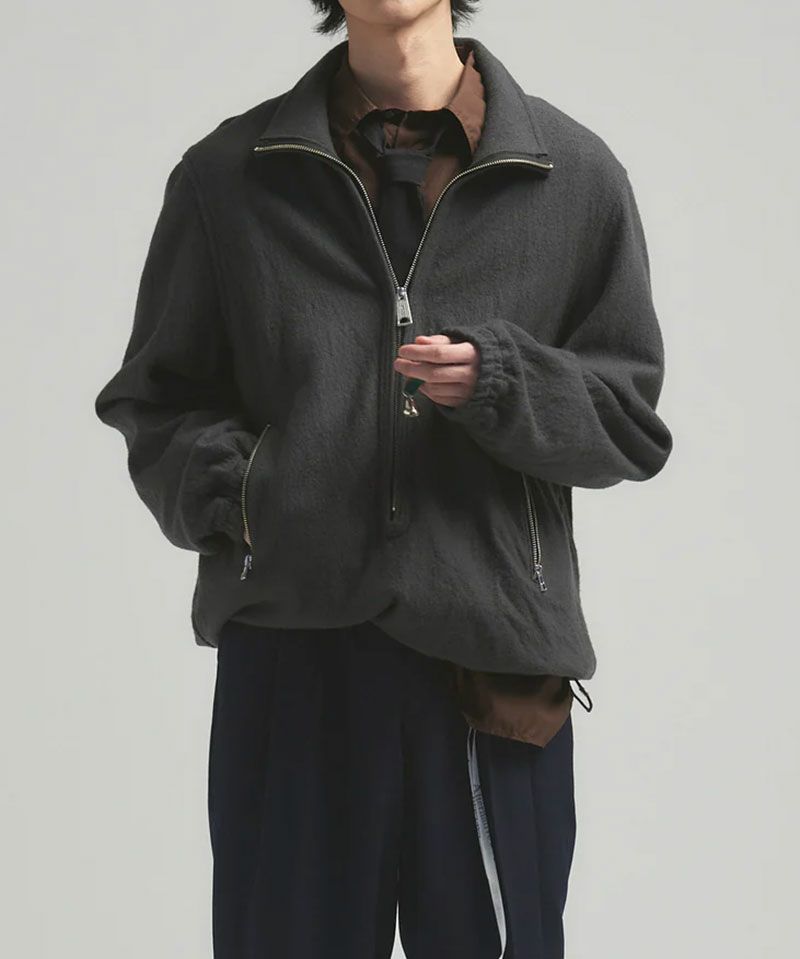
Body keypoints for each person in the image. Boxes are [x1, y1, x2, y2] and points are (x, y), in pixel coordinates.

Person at [94, 1, 672, 956]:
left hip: (493, 664)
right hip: (294, 661)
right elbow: (156, 400)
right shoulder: (228, 177)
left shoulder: (573, 177)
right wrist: (249, 493)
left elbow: (627, 422)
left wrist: (503, 380)